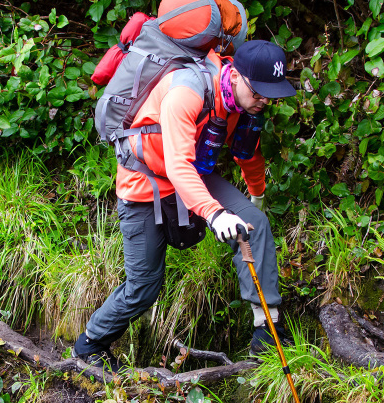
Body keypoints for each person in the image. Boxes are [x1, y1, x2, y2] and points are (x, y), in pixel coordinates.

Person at [73, 39, 299, 369]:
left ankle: (267, 331)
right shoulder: (188, 90)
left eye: (270, 93)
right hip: (144, 184)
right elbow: (178, 163)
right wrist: (216, 213)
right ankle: (90, 344)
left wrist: (257, 196)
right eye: (259, 91)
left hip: (193, 174)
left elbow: (246, 153)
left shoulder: (244, 104)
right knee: (144, 288)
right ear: (234, 75)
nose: (264, 100)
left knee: (255, 223)